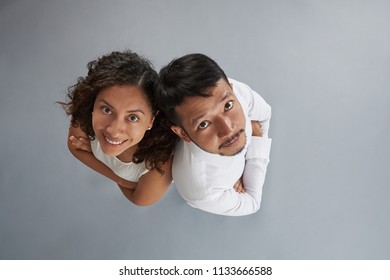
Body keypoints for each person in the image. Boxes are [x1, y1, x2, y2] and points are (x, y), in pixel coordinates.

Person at [156, 53, 272, 216]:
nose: (228, 129)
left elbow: (265, 114)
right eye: (204, 123)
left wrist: (252, 149)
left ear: (231, 90)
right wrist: (256, 138)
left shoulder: (226, 91)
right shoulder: (202, 191)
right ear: (182, 133)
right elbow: (252, 203)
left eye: (228, 106)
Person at [60, 51, 178, 206]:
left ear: (151, 120)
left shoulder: (160, 163)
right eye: (107, 110)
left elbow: (140, 199)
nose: (114, 130)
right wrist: (125, 181)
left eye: (133, 117)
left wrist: (94, 155)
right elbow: (73, 146)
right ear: (93, 103)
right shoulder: (85, 110)